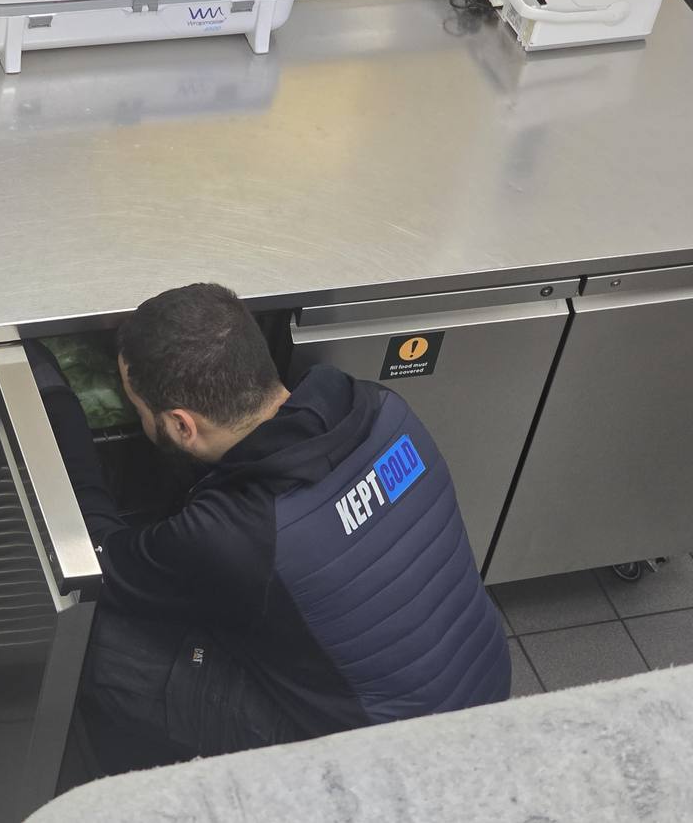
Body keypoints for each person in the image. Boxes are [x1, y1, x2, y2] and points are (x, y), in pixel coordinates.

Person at [27, 283, 510, 774]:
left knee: (98, 641)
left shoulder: (239, 535)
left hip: (388, 761)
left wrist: (52, 399)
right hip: (482, 691)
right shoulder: (378, 406)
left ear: (181, 425)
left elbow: (99, 556)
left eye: (139, 407)